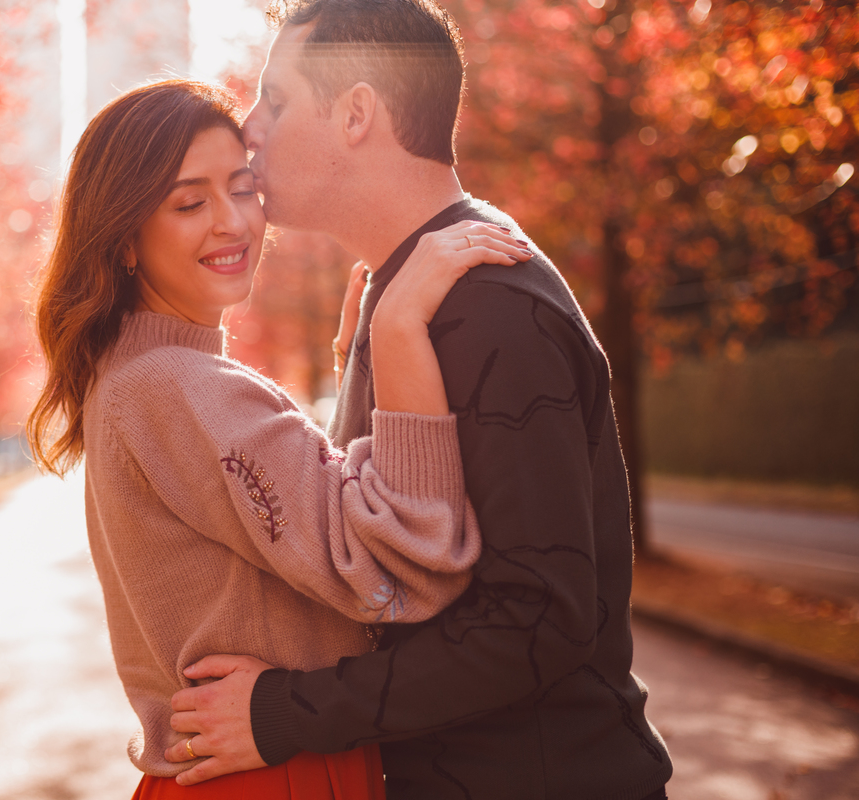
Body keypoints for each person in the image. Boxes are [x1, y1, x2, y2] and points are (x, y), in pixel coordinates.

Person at [162, 2, 674, 799]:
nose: (250, 127)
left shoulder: (492, 304)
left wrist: (284, 713)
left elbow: (536, 619)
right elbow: (393, 562)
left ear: (357, 113)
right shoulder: (408, 293)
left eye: (279, 99)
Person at [25, 79, 531, 799]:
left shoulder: (137, 377)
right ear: (125, 239)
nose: (232, 222)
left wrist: (352, 379)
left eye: (242, 187)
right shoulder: (179, 387)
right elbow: (405, 565)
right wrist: (397, 331)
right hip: (272, 776)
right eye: (189, 202)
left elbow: (287, 541)